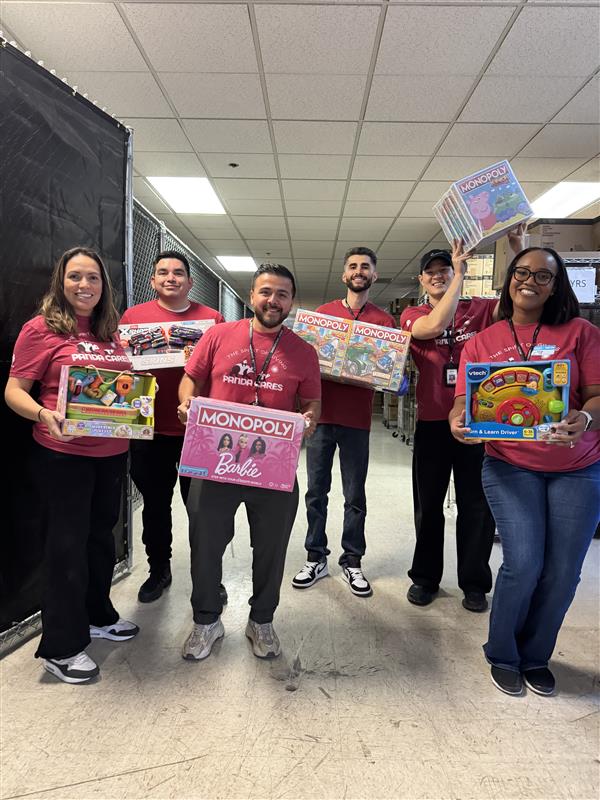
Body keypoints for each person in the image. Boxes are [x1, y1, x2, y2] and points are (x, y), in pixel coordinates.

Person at [450, 247, 600, 696]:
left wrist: (585, 418)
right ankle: (503, 653)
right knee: (524, 563)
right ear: (509, 280)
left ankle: (536, 655)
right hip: (510, 465)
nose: (529, 281)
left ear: (556, 286)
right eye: (521, 272)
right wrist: (459, 423)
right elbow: (464, 402)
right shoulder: (482, 341)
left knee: (563, 571)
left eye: (542, 276)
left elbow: (597, 396)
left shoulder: (582, 333)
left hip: (578, 466)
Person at [5, 247, 139, 684]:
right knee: (65, 547)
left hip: (111, 455)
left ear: (104, 286)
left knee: (101, 539)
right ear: (61, 282)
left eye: (93, 278)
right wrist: (44, 414)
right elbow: (14, 390)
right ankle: (61, 648)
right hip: (63, 456)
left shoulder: (111, 333)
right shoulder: (41, 329)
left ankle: (97, 615)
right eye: (75, 277)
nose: (85, 285)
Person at [178, 263, 321, 661]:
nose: (273, 301)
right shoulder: (219, 335)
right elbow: (191, 378)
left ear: (291, 301)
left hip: (273, 465)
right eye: (266, 292)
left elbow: (312, 401)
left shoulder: (304, 352)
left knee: (272, 547)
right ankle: (206, 620)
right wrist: (187, 402)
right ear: (252, 295)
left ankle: (261, 620)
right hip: (215, 461)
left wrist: (309, 420)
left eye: (282, 295)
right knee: (205, 543)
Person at [400, 230, 525, 612]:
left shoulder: (482, 309)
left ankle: (474, 583)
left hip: (479, 421)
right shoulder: (413, 315)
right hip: (433, 423)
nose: (438, 275)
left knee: (476, 506)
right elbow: (434, 328)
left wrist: (518, 249)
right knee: (429, 505)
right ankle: (425, 578)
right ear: (421, 280)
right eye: (432, 272)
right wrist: (459, 274)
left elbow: (516, 298)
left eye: (445, 269)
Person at [120, 250, 225, 603]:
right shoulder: (133, 318)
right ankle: (158, 570)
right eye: (163, 272)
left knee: (203, 510)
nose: (171, 277)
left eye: (178, 272)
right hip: (149, 431)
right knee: (155, 506)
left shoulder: (212, 319)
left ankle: (208, 575)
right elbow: (122, 368)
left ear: (190, 282)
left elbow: (221, 368)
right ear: (152, 280)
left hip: (198, 432)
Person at [292, 246, 396, 598]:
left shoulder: (384, 322)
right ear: (344, 274)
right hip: (321, 417)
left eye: (365, 266)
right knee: (315, 491)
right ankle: (315, 556)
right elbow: (305, 364)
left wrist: (391, 377)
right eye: (353, 266)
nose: (358, 271)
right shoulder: (323, 315)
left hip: (357, 420)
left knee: (355, 495)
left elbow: (389, 370)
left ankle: (352, 560)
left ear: (374, 275)